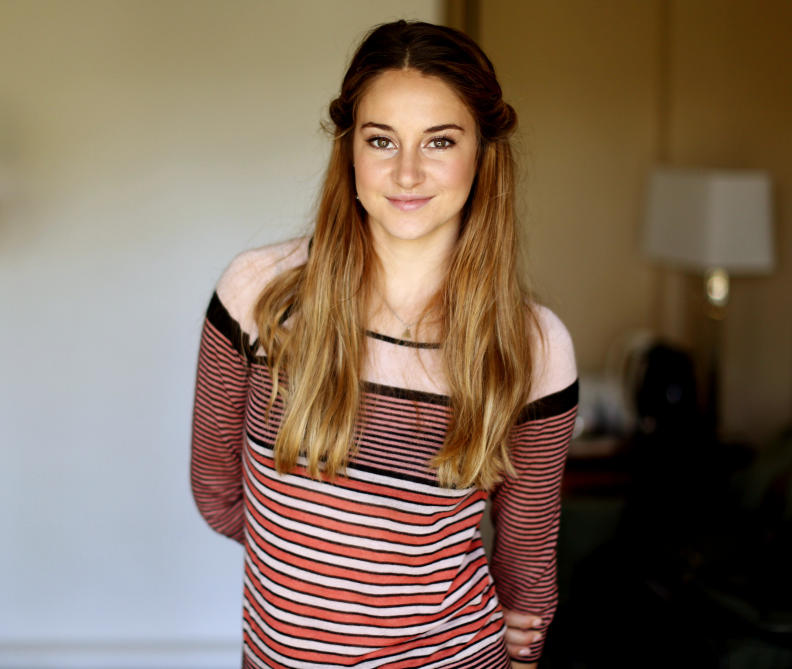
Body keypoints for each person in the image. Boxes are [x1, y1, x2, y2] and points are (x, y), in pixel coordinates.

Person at [191, 20, 577, 669]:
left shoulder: (534, 344)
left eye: (439, 141)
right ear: (350, 150)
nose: (406, 172)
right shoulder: (257, 294)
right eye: (381, 140)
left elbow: (526, 571)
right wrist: (332, 582)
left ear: (482, 151)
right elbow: (218, 492)